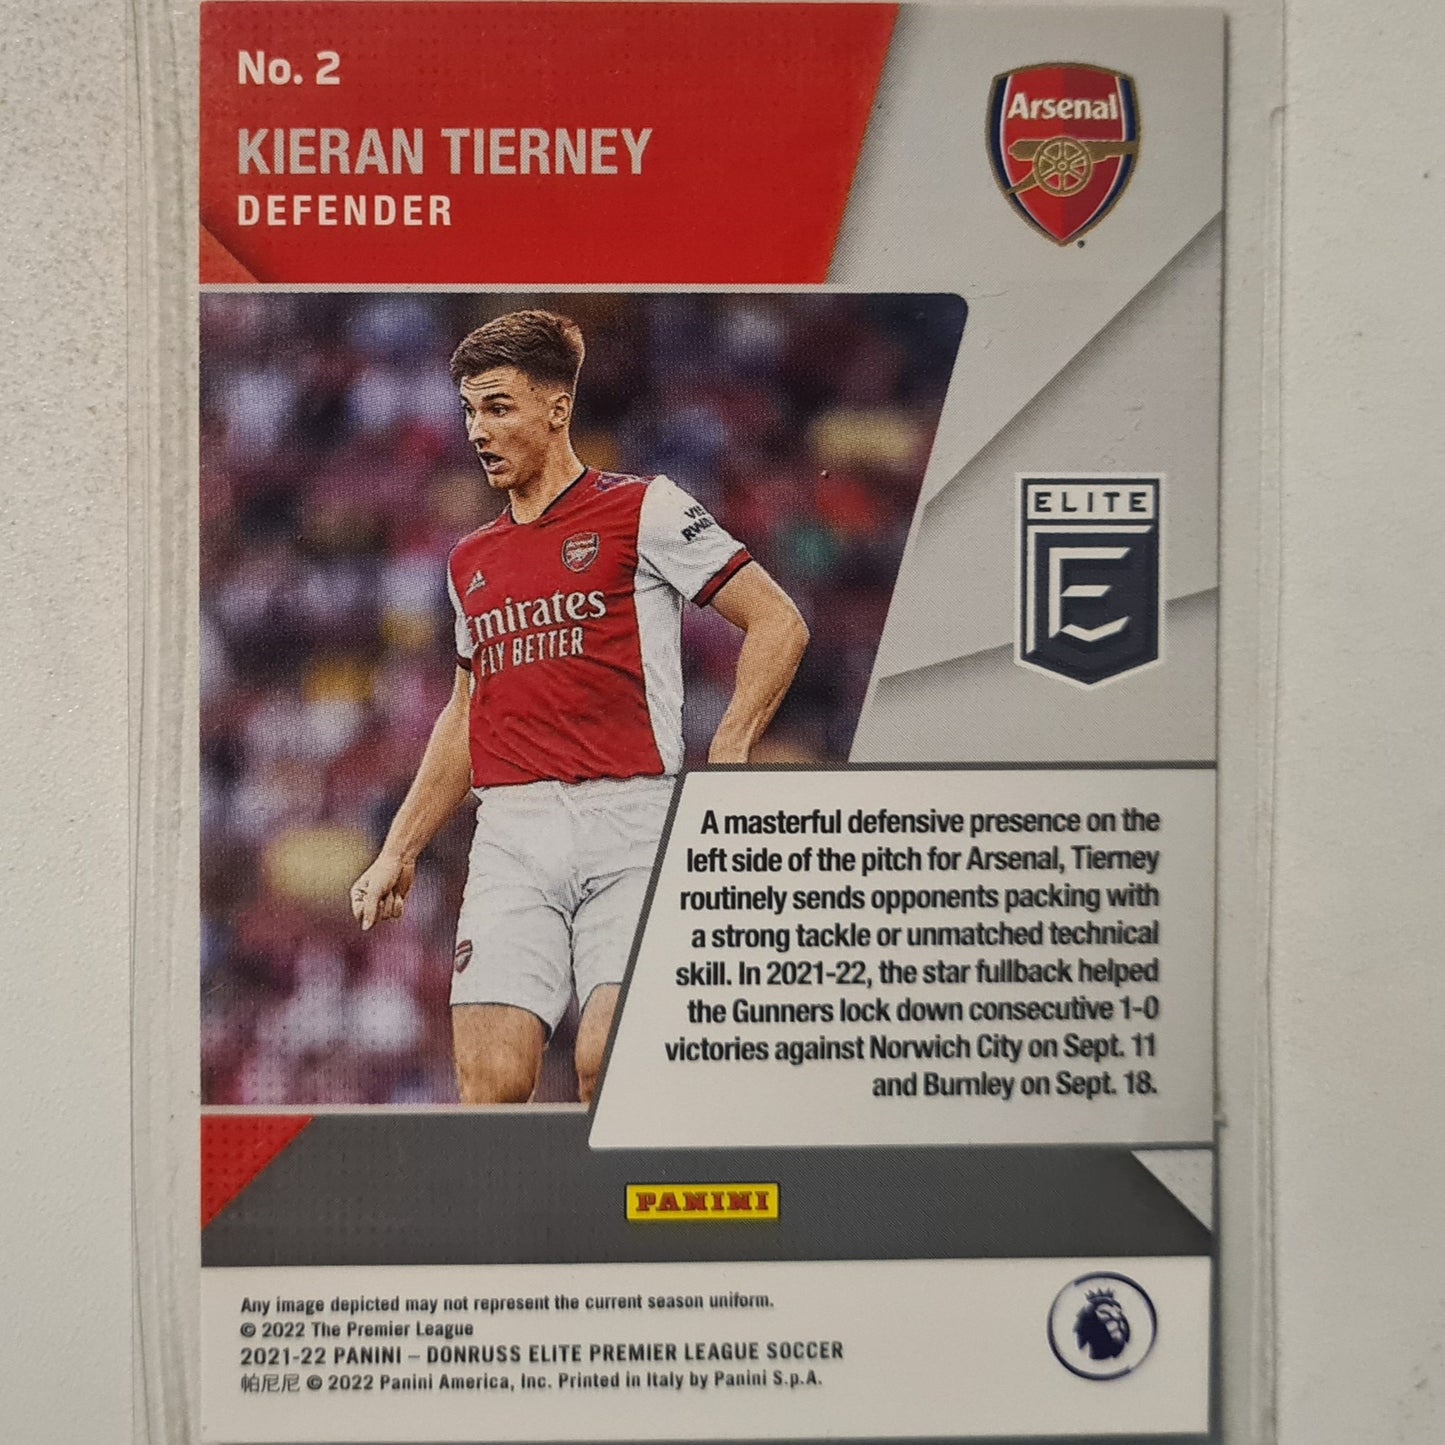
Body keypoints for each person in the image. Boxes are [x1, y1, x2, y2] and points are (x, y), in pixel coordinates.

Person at [349, 309, 808, 1105]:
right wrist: (401, 847)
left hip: (631, 822)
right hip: (512, 835)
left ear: (556, 407)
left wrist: (730, 750)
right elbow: (465, 711)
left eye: (498, 407)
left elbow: (777, 620)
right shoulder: (469, 560)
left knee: (607, 1060)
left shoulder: (645, 508)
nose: (477, 430)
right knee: (491, 1081)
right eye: (469, 410)